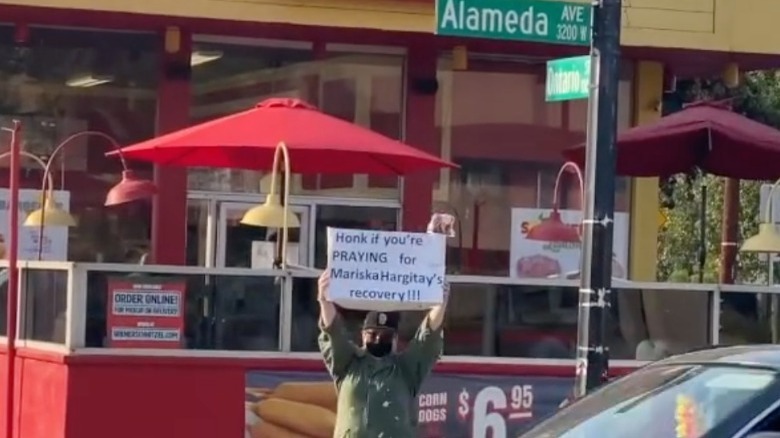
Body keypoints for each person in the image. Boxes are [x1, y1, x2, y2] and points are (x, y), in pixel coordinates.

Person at [317, 269, 449, 438]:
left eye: (385, 336)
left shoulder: (405, 369)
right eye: (372, 334)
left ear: (395, 339)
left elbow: (427, 337)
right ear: (363, 336)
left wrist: (440, 303)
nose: (378, 339)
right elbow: (333, 331)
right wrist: (324, 299)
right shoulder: (348, 364)